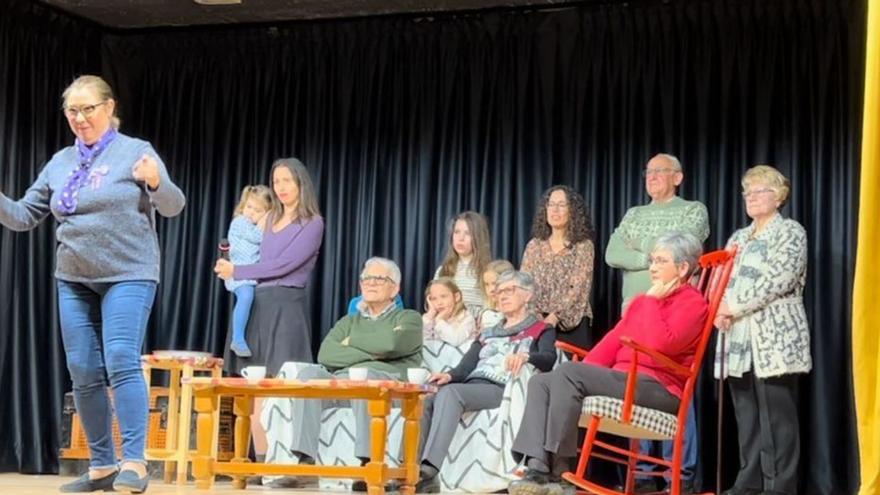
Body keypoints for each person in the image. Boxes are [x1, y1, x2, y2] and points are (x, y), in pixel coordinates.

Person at [0, 75, 185, 493]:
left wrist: (157, 182)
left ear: (108, 107)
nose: (80, 118)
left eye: (88, 109)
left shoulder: (136, 152)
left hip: (129, 272)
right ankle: (102, 464)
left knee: (121, 357)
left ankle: (135, 462)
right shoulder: (60, 161)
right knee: (82, 368)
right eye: (72, 111)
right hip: (74, 276)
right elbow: (24, 215)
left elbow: (173, 206)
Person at [508, 233, 708, 495]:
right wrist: (581, 372)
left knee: (567, 373)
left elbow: (661, 344)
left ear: (683, 268)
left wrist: (650, 301)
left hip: (660, 389)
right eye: (652, 260)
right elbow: (613, 341)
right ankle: (537, 466)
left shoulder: (693, 303)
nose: (653, 267)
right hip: (626, 380)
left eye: (661, 261)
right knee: (542, 381)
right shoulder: (642, 302)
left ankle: (560, 469)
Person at [605, 154, 709, 492]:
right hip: (634, 309)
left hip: (674, 308)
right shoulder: (635, 213)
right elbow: (611, 253)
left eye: (659, 171)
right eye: (647, 171)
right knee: (636, 385)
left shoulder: (693, 209)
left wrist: (639, 246)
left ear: (677, 177)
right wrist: (648, 254)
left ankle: (679, 475)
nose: (651, 176)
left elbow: (684, 248)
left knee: (673, 383)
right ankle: (644, 475)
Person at [414, 270, 557, 493]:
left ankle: (430, 470)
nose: (502, 296)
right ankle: (412, 471)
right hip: (473, 385)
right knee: (427, 398)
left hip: (503, 387)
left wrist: (527, 356)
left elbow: (549, 359)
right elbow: (466, 366)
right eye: (499, 292)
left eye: (509, 290)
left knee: (450, 394)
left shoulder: (541, 329)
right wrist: (449, 375)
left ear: (528, 295)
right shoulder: (488, 333)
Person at [713, 166, 810, 495]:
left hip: (775, 336)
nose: (750, 197)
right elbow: (723, 280)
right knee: (747, 415)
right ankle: (748, 484)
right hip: (738, 336)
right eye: (746, 193)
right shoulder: (738, 238)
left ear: (779, 196)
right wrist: (719, 308)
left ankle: (779, 487)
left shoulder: (790, 232)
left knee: (777, 418)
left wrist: (732, 306)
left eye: (758, 191)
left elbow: (777, 280)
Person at [288, 257, 422, 491]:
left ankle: (368, 463)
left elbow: (391, 344)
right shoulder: (348, 320)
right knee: (310, 373)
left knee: (364, 376)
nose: (370, 283)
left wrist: (351, 345)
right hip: (342, 384)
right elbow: (326, 354)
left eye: (379, 278)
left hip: (387, 386)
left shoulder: (408, 318)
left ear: (395, 288)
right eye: (366, 278)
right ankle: (305, 464)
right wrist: (372, 350)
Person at [215, 157, 324, 377]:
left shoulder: (312, 223)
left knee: (283, 381)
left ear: (301, 183)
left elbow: (284, 265)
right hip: (257, 302)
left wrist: (237, 271)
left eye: (287, 180)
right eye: (276, 181)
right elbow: (245, 242)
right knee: (250, 382)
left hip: (286, 306)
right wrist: (227, 260)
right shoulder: (270, 216)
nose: (281, 187)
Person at [521, 185, 595, 348]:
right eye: (551, 204)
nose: (555, 210)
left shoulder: (583, 246)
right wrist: (537, 316)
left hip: (571, 323)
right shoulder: (534, 245)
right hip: (536, 320)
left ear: (572, 211)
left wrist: (555, 316)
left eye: (561, 205)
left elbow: (578, 288)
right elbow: (524, 284)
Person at [224, 185, 273, 357]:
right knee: (246, 296)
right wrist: (265, 219)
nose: (251, 212)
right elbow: (256, 237)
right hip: (238, 273)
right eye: (249, 207)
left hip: (251, 274)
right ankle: (237, 339)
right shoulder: (240, 222)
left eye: (258, 210)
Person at [434, 211, 492, 316]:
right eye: (456, 232)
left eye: (468, 233)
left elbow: (491, 306)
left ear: (478, 238)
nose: (460, 238)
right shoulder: (443, 270)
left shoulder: (488, 271)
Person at [422, 278, 478, 347]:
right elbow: (422, 342)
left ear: (457, 297)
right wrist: (429, 315)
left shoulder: (466, 318)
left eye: (443, 296)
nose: (439, 303)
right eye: (434, 299)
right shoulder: (432, 319)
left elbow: (455, 340)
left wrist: (439, 321)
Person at [477, 259, 516, 331]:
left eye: (495, 283)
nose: (491, 289)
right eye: (487, 284)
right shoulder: (486, 310)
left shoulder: (517, 312)